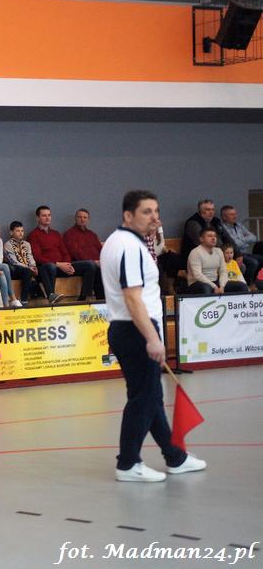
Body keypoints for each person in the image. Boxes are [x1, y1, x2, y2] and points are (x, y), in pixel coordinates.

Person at [100, 189, 205, 482]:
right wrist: (152, 338)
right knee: (143, 399)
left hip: (132, 329)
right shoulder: (129, 247)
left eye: (156, 211)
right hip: (136, 330)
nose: (154, 217)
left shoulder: (120, 241)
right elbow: (132, 298)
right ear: (128, 215)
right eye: (146, 212)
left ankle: (175, 457)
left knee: (152, 397)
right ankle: (127, 464)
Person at [27, 205, 97, 303]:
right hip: (48, 267)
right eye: (44, 215)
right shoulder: (33, 235)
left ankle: (84, 298)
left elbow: (65, 252)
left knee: (90, 264)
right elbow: (37, 257)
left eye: (49, 215)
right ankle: (52, 297)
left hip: (63, 266)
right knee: (50, 266)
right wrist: (58, 264)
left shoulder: (56, 234)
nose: (47, 218)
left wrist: (67, 264)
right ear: (37, 218)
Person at [62, 208, 105, 300]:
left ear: (88, 219)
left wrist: (102, 261)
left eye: (85, 217)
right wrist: (94, 261)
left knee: (101, 267)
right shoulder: (69, 234)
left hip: (94, 264)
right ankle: (85, 296)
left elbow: (100, 249)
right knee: (91, 265)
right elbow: (75, 252)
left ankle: (102, 299)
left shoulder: (92, 234)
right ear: (75, 218)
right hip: (76, 264)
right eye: (80, 217)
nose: (82, 219)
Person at [186, 228, 246, 294]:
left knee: (241, 286)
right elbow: (197, 275)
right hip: (197, 283)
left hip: (215, 281)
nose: (213, 238)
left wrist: (222, 286)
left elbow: (223, 271)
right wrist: (214, 286)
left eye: (215, 236)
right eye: (209, 236)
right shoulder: (195, 252)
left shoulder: (219, 251)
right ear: (201, 239)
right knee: (206, 288)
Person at [180, 199, 231, 267]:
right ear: (200, 211)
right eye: (208, 209)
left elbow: (227, 237)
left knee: (240, 264)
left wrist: (237, 254)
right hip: (199, 258)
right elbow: (204, 243)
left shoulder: (216, 221)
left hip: (219, 254)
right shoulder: (193, 223)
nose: (211, 212)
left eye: (213, 209)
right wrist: (223, 253)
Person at [220, 205, 261, 285]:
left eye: (235, 214)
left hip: (245, 253)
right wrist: (244, 241)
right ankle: (248, 284)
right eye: (231, 214)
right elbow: (233, 243)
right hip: (234, 254)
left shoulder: (239, 225)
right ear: (224, 217)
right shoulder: (222, 227)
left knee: (261, 258)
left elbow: (253, 237)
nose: (235, 216)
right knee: (253, 262)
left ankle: (257, 283)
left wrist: (240, 240)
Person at [3, 221, 37, 306]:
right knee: (27, 271)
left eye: (22, 231)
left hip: (28, 268)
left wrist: (33, 266)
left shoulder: (27, 244)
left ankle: (44, 295)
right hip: (16, 269)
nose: (21, 233)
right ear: (11, 232)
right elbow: (13, 261)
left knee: (42, 269)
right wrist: (28, 268)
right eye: (18, 231)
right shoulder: (8, 244)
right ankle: (24, 299)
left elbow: (30, 256)